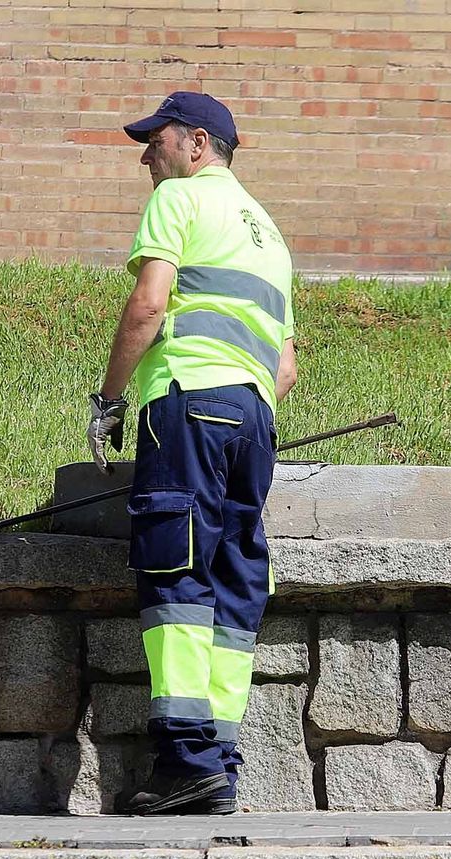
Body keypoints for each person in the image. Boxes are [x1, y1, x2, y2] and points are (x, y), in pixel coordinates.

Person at [88, 91, 298, 816]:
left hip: (187, 401)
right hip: (255, 419)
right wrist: (244, 412)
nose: (148, 154)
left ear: (198, 143)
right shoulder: (270, 234)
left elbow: (148, 304)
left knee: (174, 570)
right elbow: (287, 365)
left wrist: (110, 399)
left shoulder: (179, 202)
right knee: (235, 580)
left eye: (157, 140)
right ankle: (219, 757)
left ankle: (184, 759)